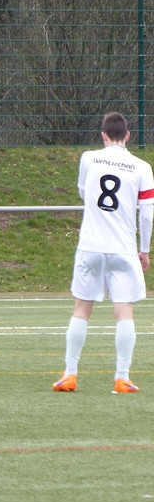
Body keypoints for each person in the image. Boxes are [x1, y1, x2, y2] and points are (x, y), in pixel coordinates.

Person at [53, 112, 153, 394]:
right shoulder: (142, 167)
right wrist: (144, 250)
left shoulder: (89, 158)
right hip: (123, 248)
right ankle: (122, 378)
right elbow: (147, 213)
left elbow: (84, 192)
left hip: (91, 245)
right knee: (124, 312)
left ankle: (70, 374)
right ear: (128, 136)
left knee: (81, 309)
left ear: (103, 136)